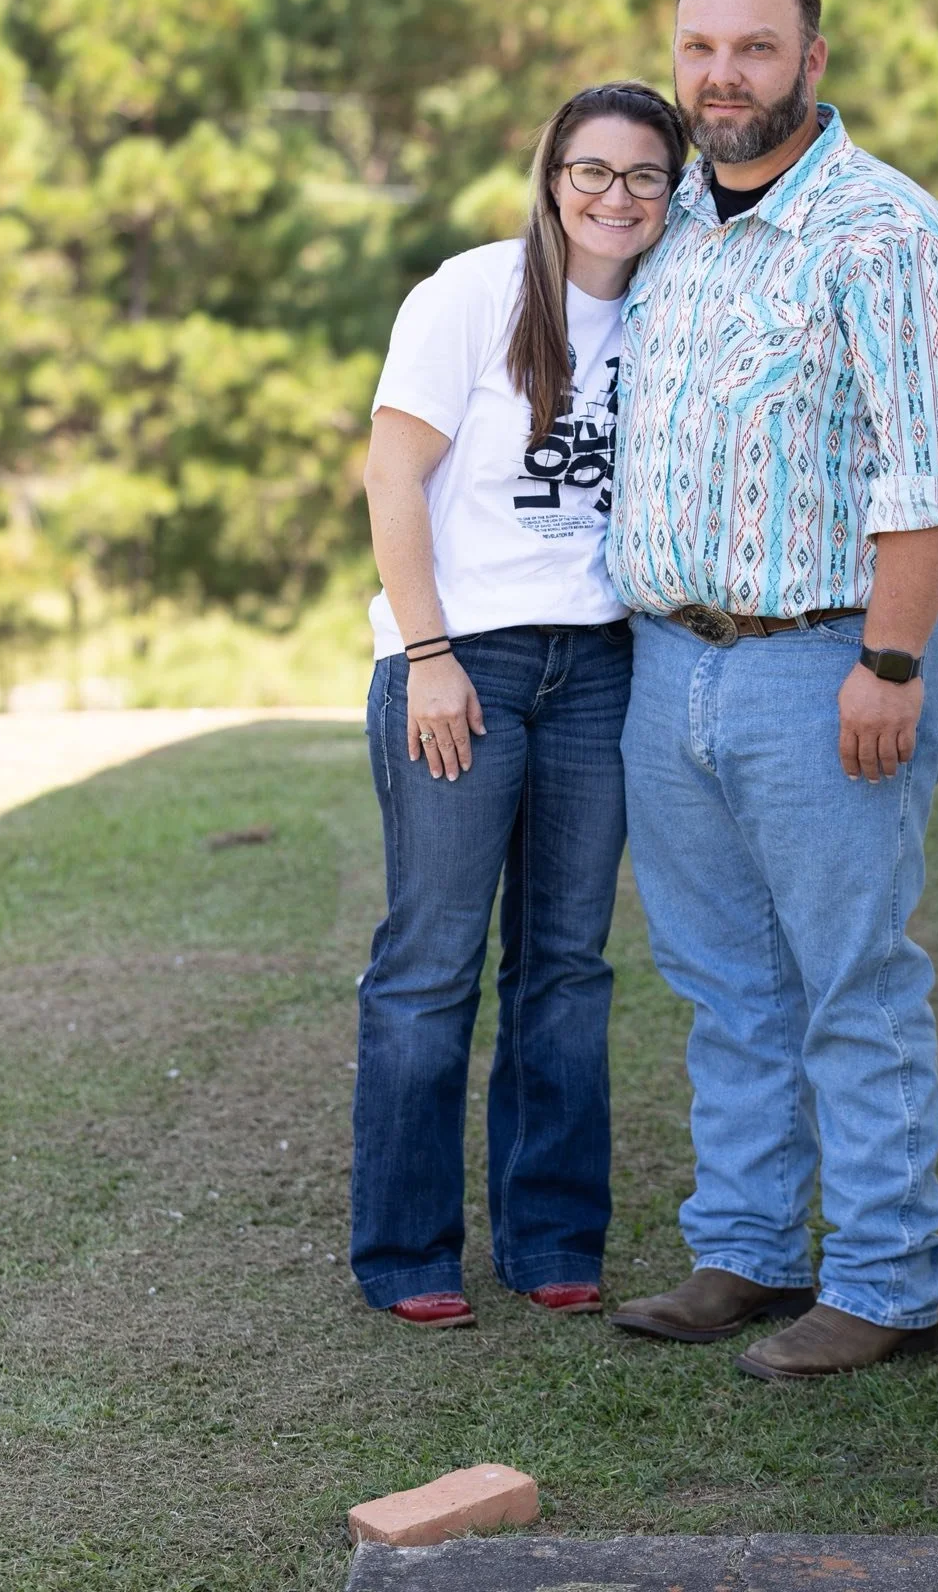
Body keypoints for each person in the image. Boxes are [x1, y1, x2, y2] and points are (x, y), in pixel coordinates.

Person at [606, 0, 938, 1379]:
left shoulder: (883, 233)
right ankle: (749, 1247)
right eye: (699, 47)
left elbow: (932, 469)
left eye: (753, 48)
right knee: (724, 980)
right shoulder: (671, 225)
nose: (721, 76)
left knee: (851, 980)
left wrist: (889, 662)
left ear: (810, 61)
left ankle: (884, 1282)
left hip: (825, 658)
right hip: (670, 662)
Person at [352, 80, 686, 1330]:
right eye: (592, 169)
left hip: (599, 665)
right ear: (553, 176)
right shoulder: (470, 293)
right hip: (466, 661)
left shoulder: (669, 307)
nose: (616, 195)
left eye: (645, 174)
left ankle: (549, 1232)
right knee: (431, 962)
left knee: (566, 965)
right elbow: (392, 477)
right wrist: (429, 652)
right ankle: (407, 1247)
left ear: (673, 193)